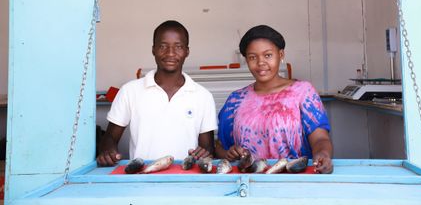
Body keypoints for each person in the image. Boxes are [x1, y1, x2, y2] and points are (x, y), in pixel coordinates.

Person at [97, 20, 217, 166]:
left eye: (178, 46)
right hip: (141, 178)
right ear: (153, 49)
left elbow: (208, 148)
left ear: (187, 51)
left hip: (185, 179)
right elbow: (109, 137)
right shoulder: (129, 91)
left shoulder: (203, 96)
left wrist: (205, 153)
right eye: (163, 46)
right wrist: (108, 150)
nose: (170, 53)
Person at [215, 25, 334, 174]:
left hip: (295, 180)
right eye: (252, 57)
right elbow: (219, 147)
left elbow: (320, 139)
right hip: (247, 182)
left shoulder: (302, 92)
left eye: (268, 55)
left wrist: (323, 154)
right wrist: (229, 154)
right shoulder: (235, 100)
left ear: (281, 54)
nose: (260, 63)